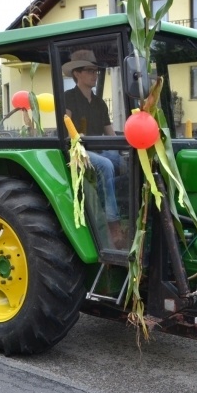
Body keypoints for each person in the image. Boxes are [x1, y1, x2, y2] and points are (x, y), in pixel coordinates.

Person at [62, 49, 125, 248]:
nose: (94, 75)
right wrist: (76, 136)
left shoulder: (99, 103)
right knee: (106, 165)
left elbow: (110, 134)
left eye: (95, 71)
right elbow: (65, 125)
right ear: (77, 74)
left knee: (126, 162)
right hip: (77, 151)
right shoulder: (68, 98)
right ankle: (112, 223)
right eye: (89, 71)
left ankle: (128, 213)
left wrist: (124, 147)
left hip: (98, 149)